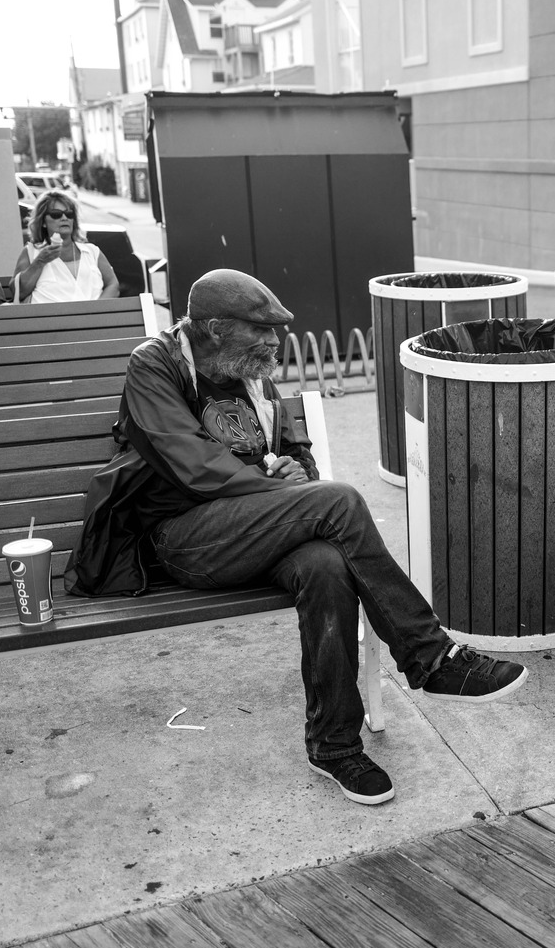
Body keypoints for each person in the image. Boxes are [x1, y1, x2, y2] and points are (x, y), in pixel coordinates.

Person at [66, 268, 528, 806]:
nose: (274, 341)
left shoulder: (251, 373)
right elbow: (190, 465)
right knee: (341, 500)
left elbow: (296, 451)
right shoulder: (155, 365)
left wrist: (295, 474)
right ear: (214, 327)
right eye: (261, 330)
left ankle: (334, 746)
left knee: (326, 566)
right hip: (187, 540)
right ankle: (429, 657)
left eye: (277, 330)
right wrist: (278, 487)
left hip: (262, 530)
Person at [13, 191, 118, 303]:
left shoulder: (92, 251)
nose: (64, 218)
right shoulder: (32, 252)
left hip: (95, 318)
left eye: (69, 214)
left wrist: (97, 310)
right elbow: (19, 292)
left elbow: (113, 285)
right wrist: (40, 262)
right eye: (56, 214)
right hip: (49, 318)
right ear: (43, 222)